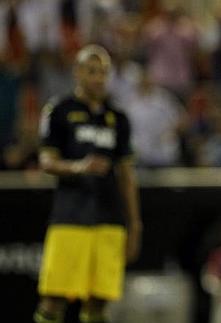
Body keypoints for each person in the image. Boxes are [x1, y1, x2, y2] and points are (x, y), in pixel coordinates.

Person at [34, 45, 142, 323]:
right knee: (53, 300)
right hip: (71, 217)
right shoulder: (59, 110)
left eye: (104, 72)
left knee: (98, 304)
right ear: (77, 72)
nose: (98, 78)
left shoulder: (118, 118)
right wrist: (77, 167)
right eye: (92, 71)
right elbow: (46, 161)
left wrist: (135, 224)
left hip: (110, 220)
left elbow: (127, 176)